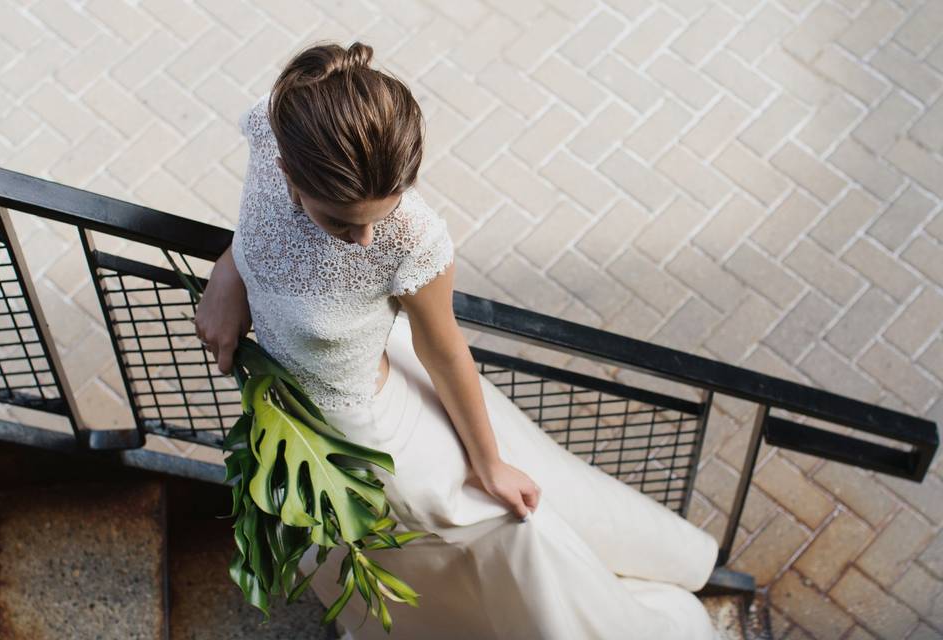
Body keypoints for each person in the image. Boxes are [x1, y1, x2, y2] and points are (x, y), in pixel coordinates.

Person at [195, 40, 721, 640]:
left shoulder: (412, 238)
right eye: (342, 221)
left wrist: (489, 463)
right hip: (294, 421)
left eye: (378, 216)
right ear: (288, 168)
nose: (366, 240)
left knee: (504, 530)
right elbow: (262, 218)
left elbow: (443, 351)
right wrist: (230, 267)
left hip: (373, 435)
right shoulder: (274, 128)